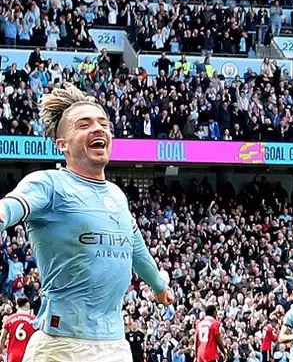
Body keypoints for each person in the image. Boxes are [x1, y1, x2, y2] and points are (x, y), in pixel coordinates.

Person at [0, 83, 172, 362]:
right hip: (61, 345)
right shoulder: (49, 184)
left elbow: (134, 245)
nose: (98, 129)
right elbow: (10, 207)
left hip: (115, 344)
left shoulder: (116, 194)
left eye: (104, 123)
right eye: (84, 124)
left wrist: (157, 285)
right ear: (62, 144)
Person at [4, 298, 34, 362]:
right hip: (28, 355)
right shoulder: (34, 321)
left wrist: (1, 351)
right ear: (27, 305)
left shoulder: (9, 319)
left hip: (12, 355)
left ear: (18, 306)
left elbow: (2, 338)